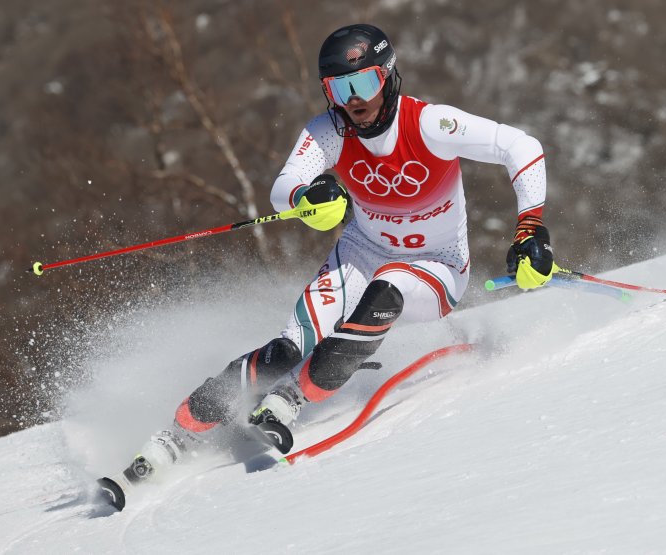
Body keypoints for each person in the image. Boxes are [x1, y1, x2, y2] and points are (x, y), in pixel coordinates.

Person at [131, 23, 554, 477]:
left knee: (387, 290)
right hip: (362, 252)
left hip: (437, 267)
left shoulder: (429, 124)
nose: (354, 99)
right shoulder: (329, 130)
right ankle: (178, 432)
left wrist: (530, 229)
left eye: (365, 82)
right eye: (339, 88)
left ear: (389, 76)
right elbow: (284, 187)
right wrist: (306, 198)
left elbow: (520, 147)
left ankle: (287, 401)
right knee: (288, 348)